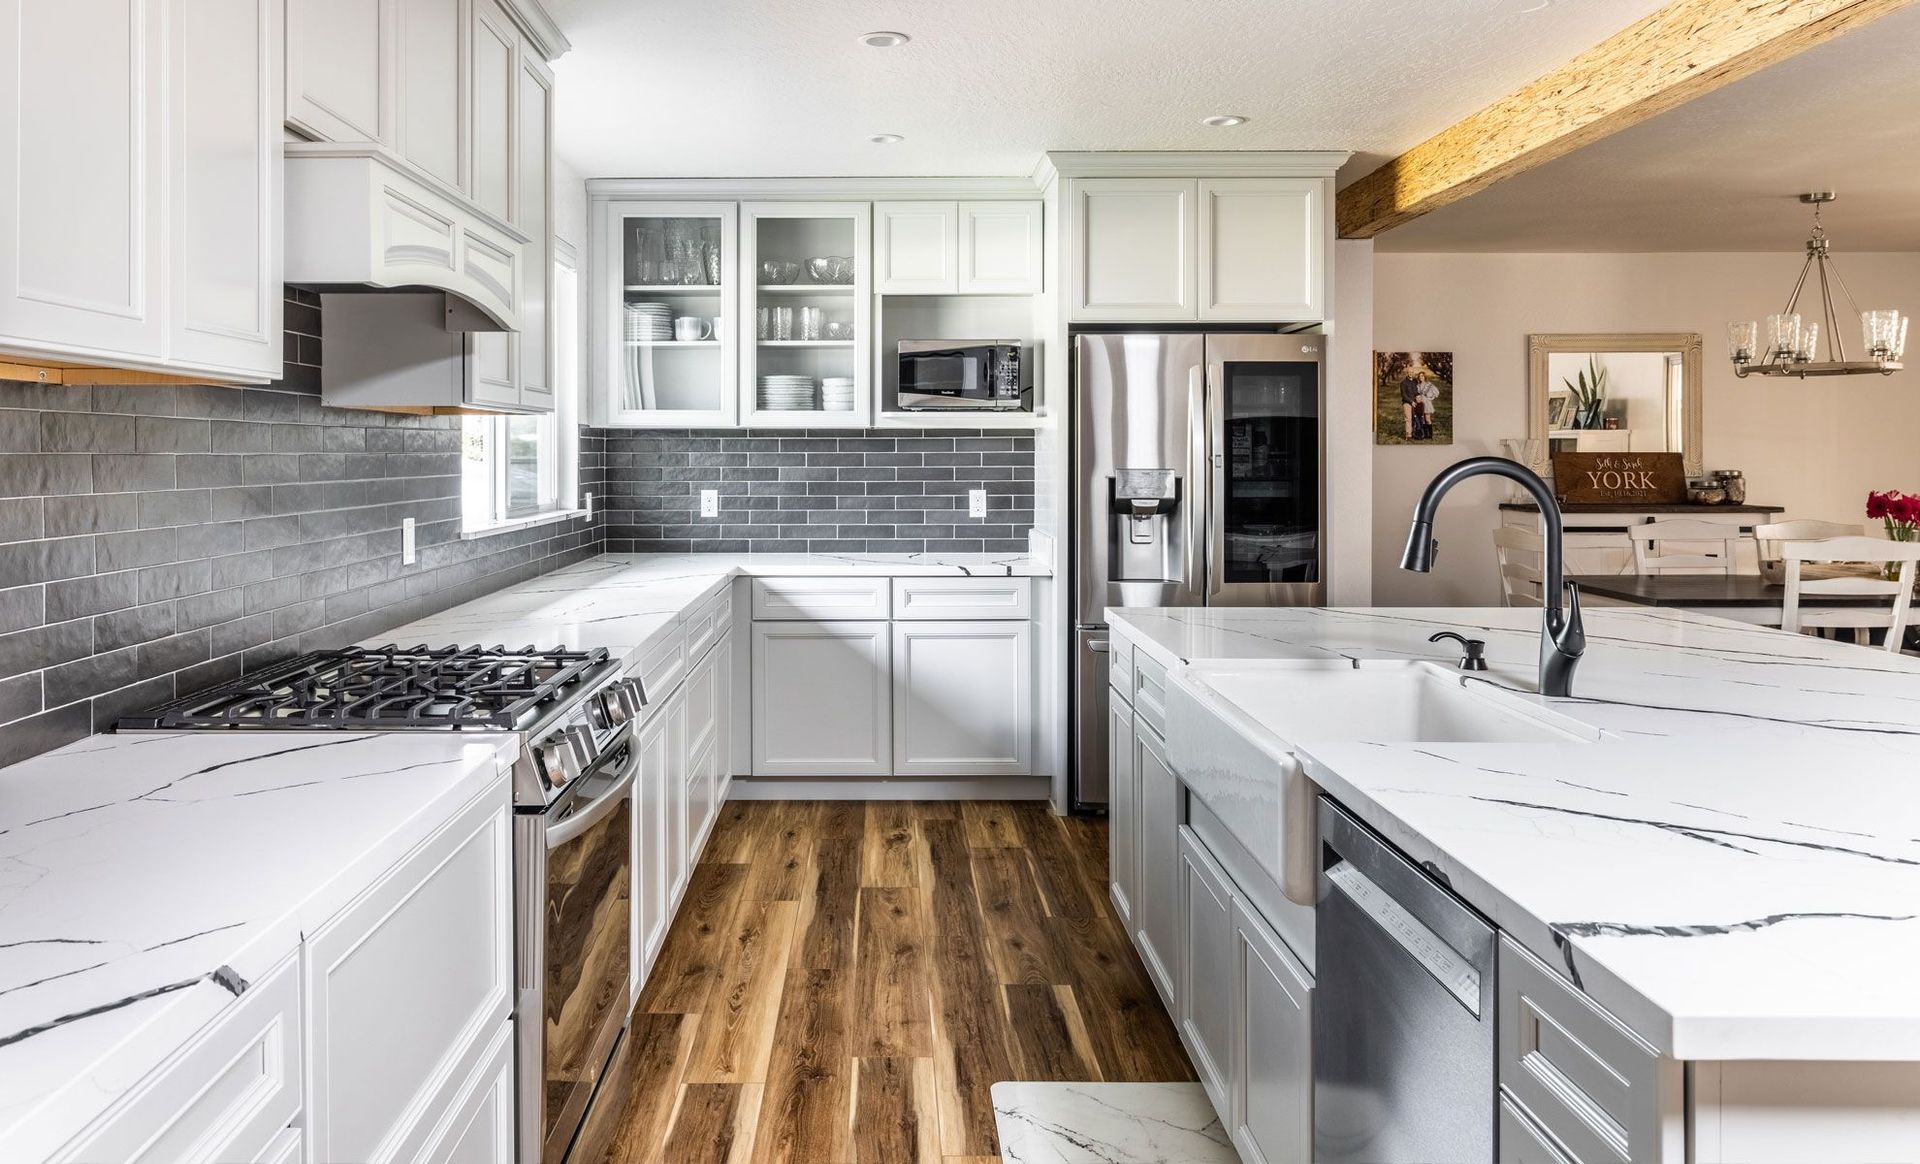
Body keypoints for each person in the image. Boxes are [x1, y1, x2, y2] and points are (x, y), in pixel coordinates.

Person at [1399, 372, 1419, 438]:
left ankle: (1414, 432)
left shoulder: (1415, 381)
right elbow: (1403, 395)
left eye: (1412, 372)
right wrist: (1411, 402)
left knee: (1414, 418)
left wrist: (1418, 398)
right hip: (1407, 402)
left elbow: (1417, 391)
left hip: (1415, 402)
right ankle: (1408, 435)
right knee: (1408, 418)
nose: (1411, 373)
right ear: (1407, 373)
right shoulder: (1403, 383)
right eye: (1409, 372)